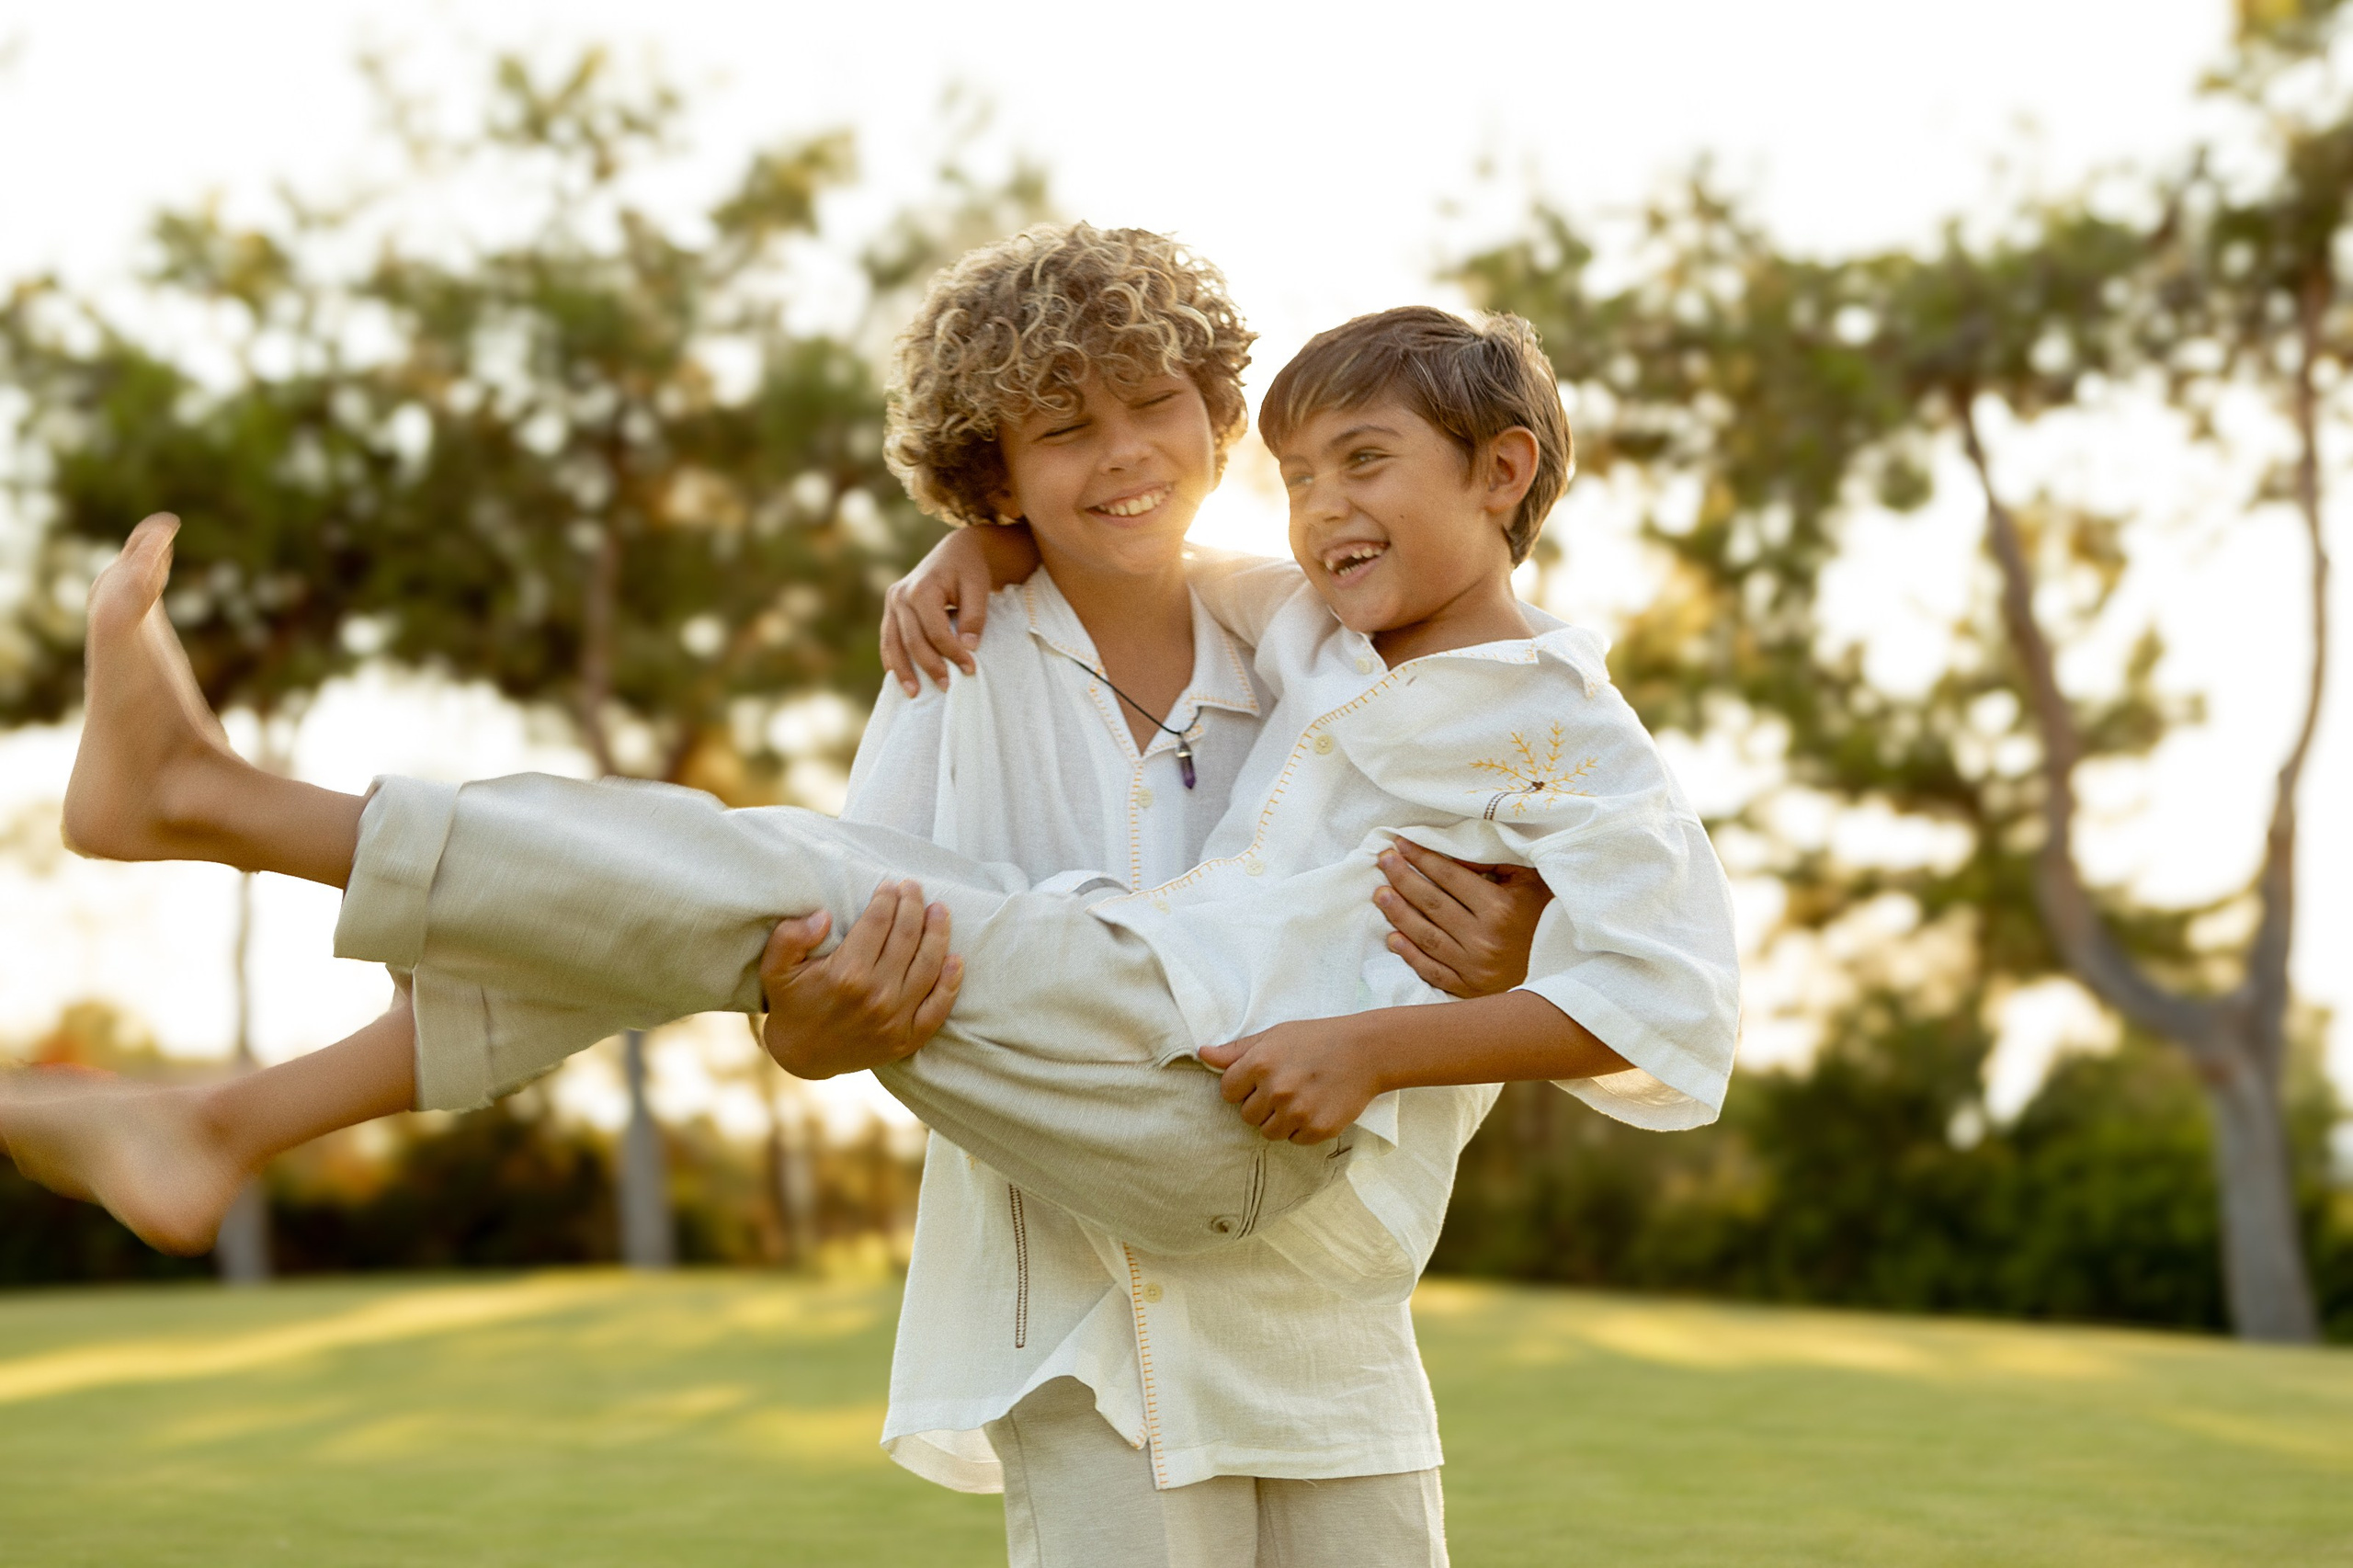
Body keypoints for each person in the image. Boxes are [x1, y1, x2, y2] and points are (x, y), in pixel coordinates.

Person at [7, 278, 1740, 1563]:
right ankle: (218, 1021)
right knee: (761, 893)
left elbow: (1669, 1002)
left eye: (1161, 414)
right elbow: (785, 975)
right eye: (1060, 433)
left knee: (752, 875)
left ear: (1498, 472)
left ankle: (221, 910)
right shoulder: (1282, 627)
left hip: (1284, 1198)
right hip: (1114, 1179)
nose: (1311, 503)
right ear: (995, 471)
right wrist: (978, 561)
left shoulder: (1427, 669)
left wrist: (1412, 1022)